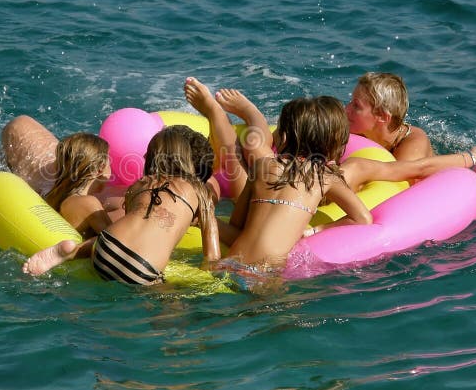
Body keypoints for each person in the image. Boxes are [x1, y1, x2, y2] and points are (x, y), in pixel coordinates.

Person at [22, 125, 220, 285]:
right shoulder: (201, 192)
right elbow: (212, 256)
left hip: (104, 250)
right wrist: (207, 279)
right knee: (171, 304)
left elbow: (135, 227)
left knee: (122, 234)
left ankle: (71, 252)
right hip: (141, 271)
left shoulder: (139, 185)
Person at [211, 87, 373, 269]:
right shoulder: (325, 176)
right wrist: (315, 230)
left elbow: (236, 226)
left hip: (229, 263)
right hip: (266, 273)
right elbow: (363, 218)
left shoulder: (262, 165)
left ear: (285, 136)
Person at [345, 72, 434, 161]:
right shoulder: (358, 132)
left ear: (382, 116)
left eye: (356, 105)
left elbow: (398, 173)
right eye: (351, 102)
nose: (346, 109)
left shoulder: (413, 147)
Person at [42, 133, 113, 239]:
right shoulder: (89, 203)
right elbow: (116, 243)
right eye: (110, 164)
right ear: (100, 169)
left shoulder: (54, 195)